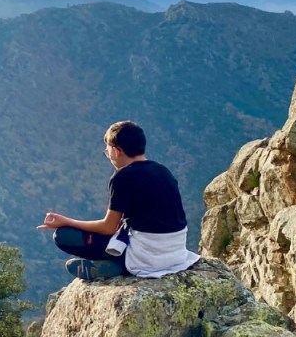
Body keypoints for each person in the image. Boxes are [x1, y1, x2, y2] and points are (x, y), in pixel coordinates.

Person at [38, 120, 200, 280]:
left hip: (146, 257)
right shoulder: (163, 171)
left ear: (116, 151)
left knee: (64, 236)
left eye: (107, 152)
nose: (108, 156)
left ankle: (119, 264)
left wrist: (66, 221)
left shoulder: (122, 177)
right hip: (176, 254)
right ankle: (114, 264)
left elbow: (109, 227)